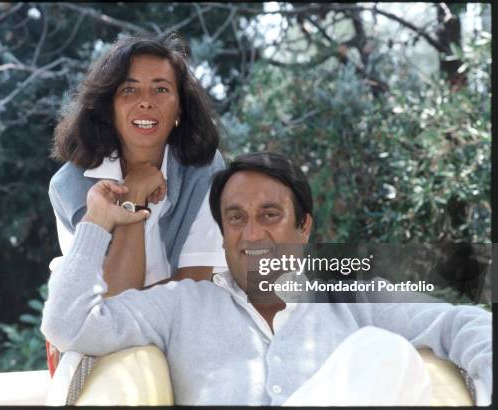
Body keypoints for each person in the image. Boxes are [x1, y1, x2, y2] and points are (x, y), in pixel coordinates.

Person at [41, 152, 492, 405]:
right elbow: (68, 324)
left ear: (305, 228)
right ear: (222, 235)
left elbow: (462, 324)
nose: (252, 234)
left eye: (270, 215)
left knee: (384, 353)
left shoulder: (347, 290)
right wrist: (97, 223)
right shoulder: (182, 305)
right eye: (235, 218)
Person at [45, 33, 227, 374]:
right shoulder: (69, 188)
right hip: (103, 355)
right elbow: (104, 309)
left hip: (187, 341)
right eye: (129, 90)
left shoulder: (204, 170)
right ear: (108, 107)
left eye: (161, 89)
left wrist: (111, 310)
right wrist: (133, 197)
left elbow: (195, 287)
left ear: (179, 108)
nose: (146, 101)